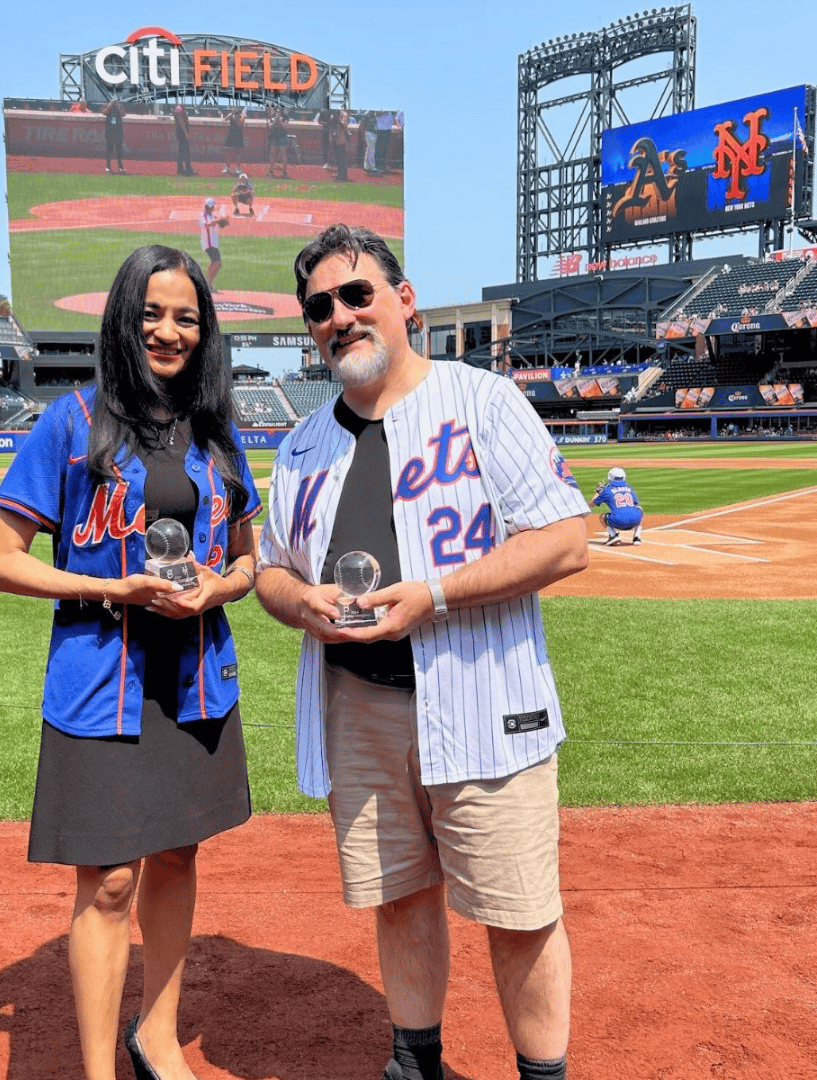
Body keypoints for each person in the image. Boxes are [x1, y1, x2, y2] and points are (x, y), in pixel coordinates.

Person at [255, 224, 589, 1080]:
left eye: (357, 295)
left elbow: (564, 540)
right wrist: (303, 604)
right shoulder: (300, 446)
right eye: (321, 306)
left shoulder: (482, 400)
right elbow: (269, 574)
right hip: (358, 708)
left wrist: (433, 594)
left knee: (517, 911)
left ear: (403, 302)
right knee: (400, 896)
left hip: (482, 692)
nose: (340, 316)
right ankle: (416, 1064)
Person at [0, 244, 261, 1080]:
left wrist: (218, 590)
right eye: (151, 316)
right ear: (122, 321)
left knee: (178, 856)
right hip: (104, 685)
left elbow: (248, 561)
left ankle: (157, 1035)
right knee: (106, 884)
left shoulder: (216, 431)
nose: (169, 332)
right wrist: (112, 589)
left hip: (196, 681)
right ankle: (100, 1070)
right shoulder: (71, 421)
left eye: (186, 318)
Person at [590, 466, 643, 545]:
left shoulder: (607, 490)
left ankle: (613, 535)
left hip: (618, 522)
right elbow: (635, 503)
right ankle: (637, 537)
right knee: (639, 509)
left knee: (603, 516)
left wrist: (598, 492)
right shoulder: (629, 488)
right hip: (634, 521)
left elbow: (591, 504)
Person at [198, 197, 227, 292]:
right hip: (209, 244)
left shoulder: (212, 216)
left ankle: (207, 283)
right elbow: (207, 224)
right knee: (217, 263)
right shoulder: (203, 216)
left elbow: (219, 224)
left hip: (213, 244)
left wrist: (224, 221)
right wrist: (219, 220)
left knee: (214, 263)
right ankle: (208, 283)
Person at [103, 99, 126, 174]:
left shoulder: (119, 107)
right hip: (110, 130)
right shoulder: (108, 107)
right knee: (109, 149)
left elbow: (123, 114)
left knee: (119, 149)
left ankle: (120, 166)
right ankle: (108, 166)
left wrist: (118, 107)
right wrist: (109, 106)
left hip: (118, 130)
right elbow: (104, 113)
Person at [221, 107, 246, 176]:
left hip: (238, 137)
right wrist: (231, 114)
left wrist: (242, 115)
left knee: (238, 153)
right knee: (229, 152)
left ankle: (238, 168)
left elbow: (241, 123)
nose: (236, 114)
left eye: (238, 113)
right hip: (231, 136)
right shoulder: (231, 117)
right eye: (236, 113)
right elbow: (225, 119)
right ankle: (227, 167)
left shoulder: (242, 118)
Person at [173, 104, 194, 176]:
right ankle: (187, 170)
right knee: (185, 152)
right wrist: (186, 134)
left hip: (180, 133)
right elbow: (182, 123)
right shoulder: (179, 110)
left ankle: (182, 169)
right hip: (182, 134)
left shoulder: (178, 109)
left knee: (182, 152)